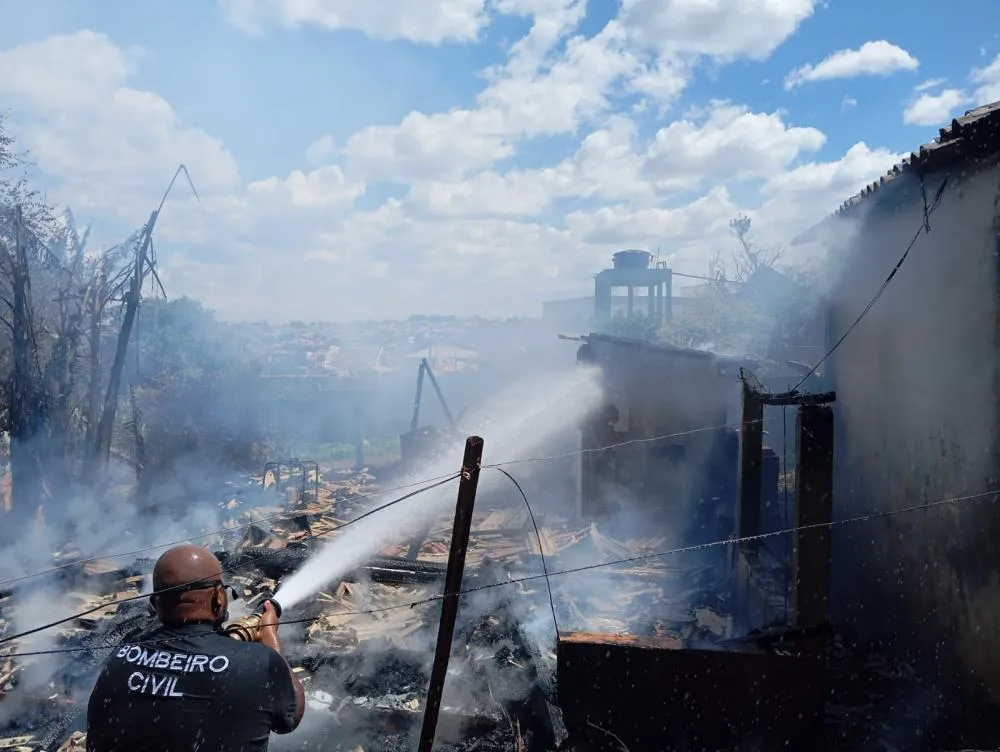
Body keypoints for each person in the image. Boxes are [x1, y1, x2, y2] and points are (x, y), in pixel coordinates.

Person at [87, 545, 305, 751]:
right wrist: (270, 637)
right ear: (218, 598)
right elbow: (289, 717)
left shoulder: (120, 659)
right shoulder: (257, 662)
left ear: (154, 603)